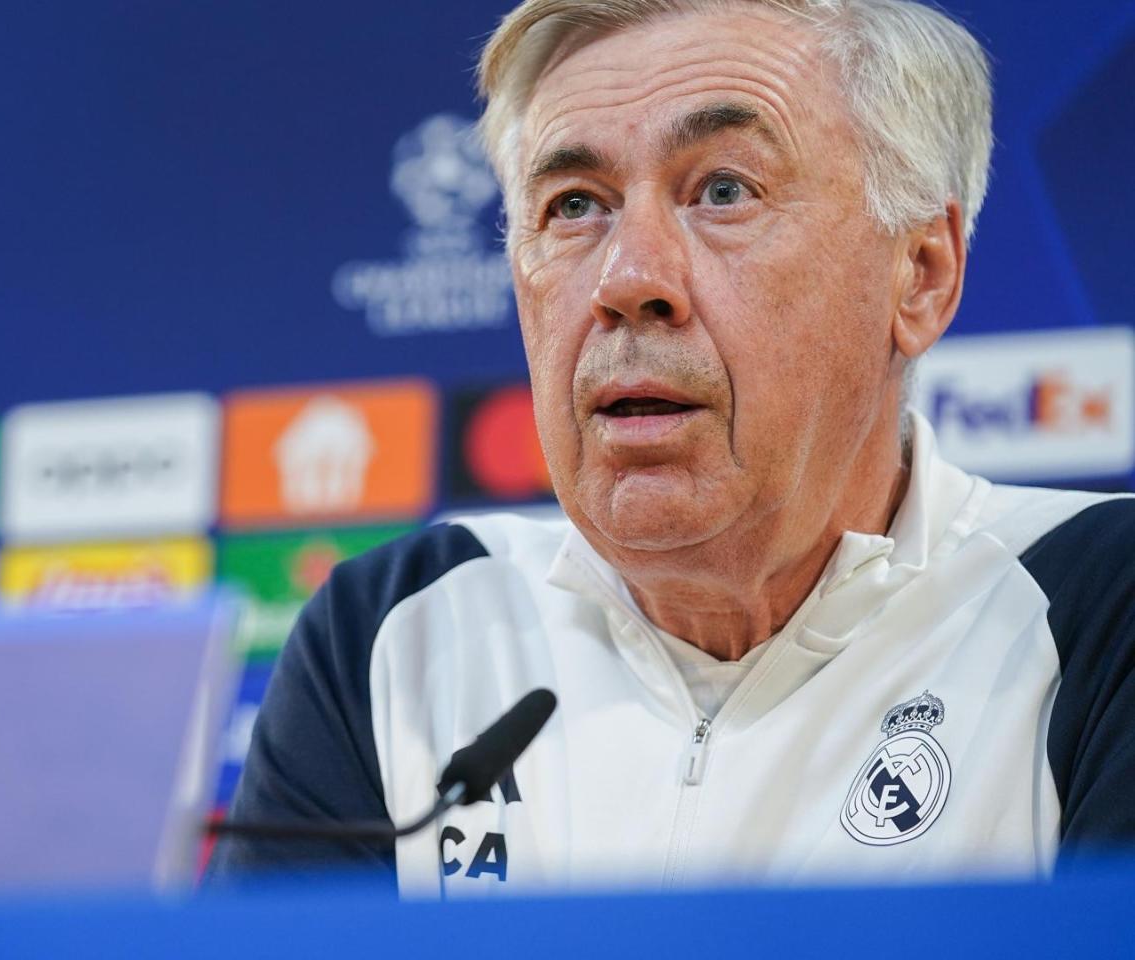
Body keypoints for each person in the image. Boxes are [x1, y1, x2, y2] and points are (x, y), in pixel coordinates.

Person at [207, 0, 1135, 895]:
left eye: (723, 190)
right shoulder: (393, 636)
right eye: (575, 204)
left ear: (921, 274)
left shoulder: (1098, 607)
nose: (628, 279)